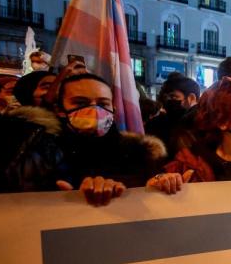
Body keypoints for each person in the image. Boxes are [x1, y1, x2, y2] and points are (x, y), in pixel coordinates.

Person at [52, 72, 167, 205]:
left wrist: (161, 181)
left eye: (103, 103)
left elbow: (151, 186)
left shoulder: (138, 151)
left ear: (113, 109)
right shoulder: (44, 154)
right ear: (59, 109)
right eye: (80, 103)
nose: (94, 110)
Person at [145, 73, 200, 155]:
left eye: (173, 97)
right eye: (165, 97)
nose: (167, 101)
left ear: (191, 98)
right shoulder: (155, 124)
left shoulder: (201, 126)